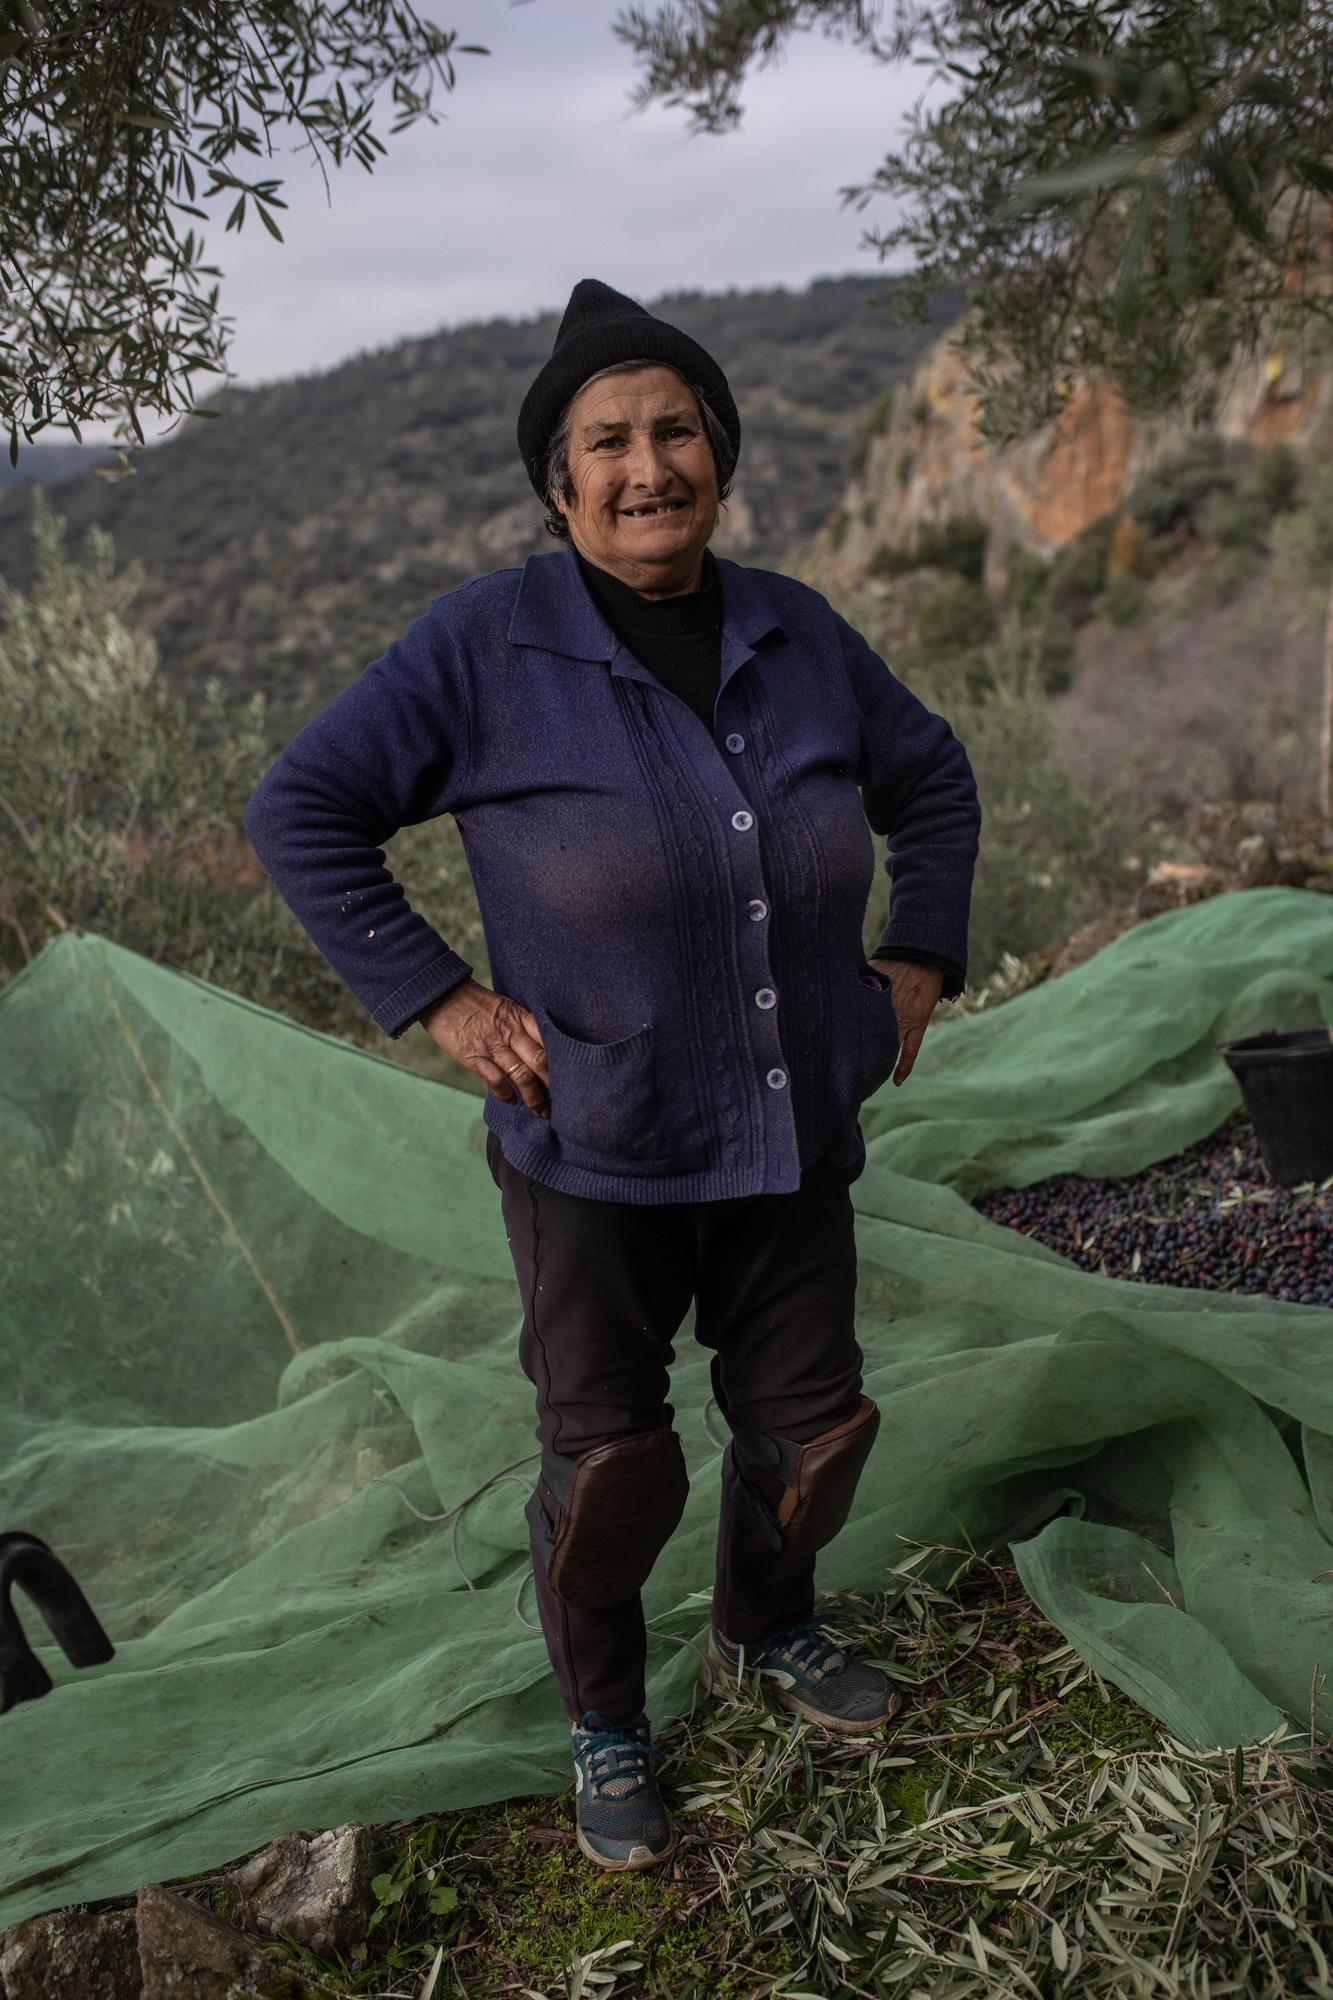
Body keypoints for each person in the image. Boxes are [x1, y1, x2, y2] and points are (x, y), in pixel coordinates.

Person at [243, 278, 982, 1874]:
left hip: (792, 1126)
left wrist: (918, 951)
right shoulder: (483, 644)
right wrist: (436, 994)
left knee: (811, 1430)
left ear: (716, 453)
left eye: (675, 432)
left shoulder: (796, 629)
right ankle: (604, 1719)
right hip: (597, 1138)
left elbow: (929, 778)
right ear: (558, 480)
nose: (647, 466)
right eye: (607, 442)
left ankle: (762, 1631)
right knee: (610, 1463)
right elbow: (301, 807)